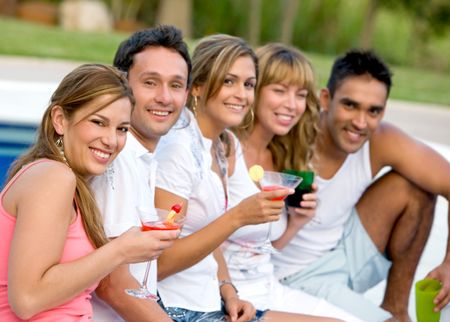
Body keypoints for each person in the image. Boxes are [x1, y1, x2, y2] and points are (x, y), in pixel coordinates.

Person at [154, 34, 344, 322]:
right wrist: (238, 217)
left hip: (219, 299)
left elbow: (207, 239)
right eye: (229, 81)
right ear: (198, 86)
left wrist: (229, 292)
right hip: (182, 309)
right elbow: (157, 265)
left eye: (249, 84)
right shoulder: (178, 150)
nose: (241, 94)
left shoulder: (222, 144)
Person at [272, 49, 450, 322]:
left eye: (373, 111)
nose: (360, 122)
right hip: (296, 276)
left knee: (416, 187)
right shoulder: (289, 135)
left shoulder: (381, 138)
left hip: (344, 250)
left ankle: (397, 310)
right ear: (325, 99)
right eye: (350, 105)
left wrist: (449, 264)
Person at [0, 64, 180, 321]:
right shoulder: (54, 177)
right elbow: (27, 299)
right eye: (98, 122)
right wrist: (121, 250)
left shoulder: (68, 182)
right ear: (60, 120)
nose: (111, 140)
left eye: (122, 129)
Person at [226, 43, 361, 322]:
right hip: (231, 298)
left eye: (300, 95)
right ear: (254, 89)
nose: (292, 104)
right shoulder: (226, 150)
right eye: (279, 90)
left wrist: (297, 221)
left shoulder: (280, 156)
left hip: (267, 287)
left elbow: (262, 247)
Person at [89, 25, 191, 321]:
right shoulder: (116, 161)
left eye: (175, 85)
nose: (164, 98)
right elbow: (111, 284)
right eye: (150, 82)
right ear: (122, 84)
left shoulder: (144, 159)